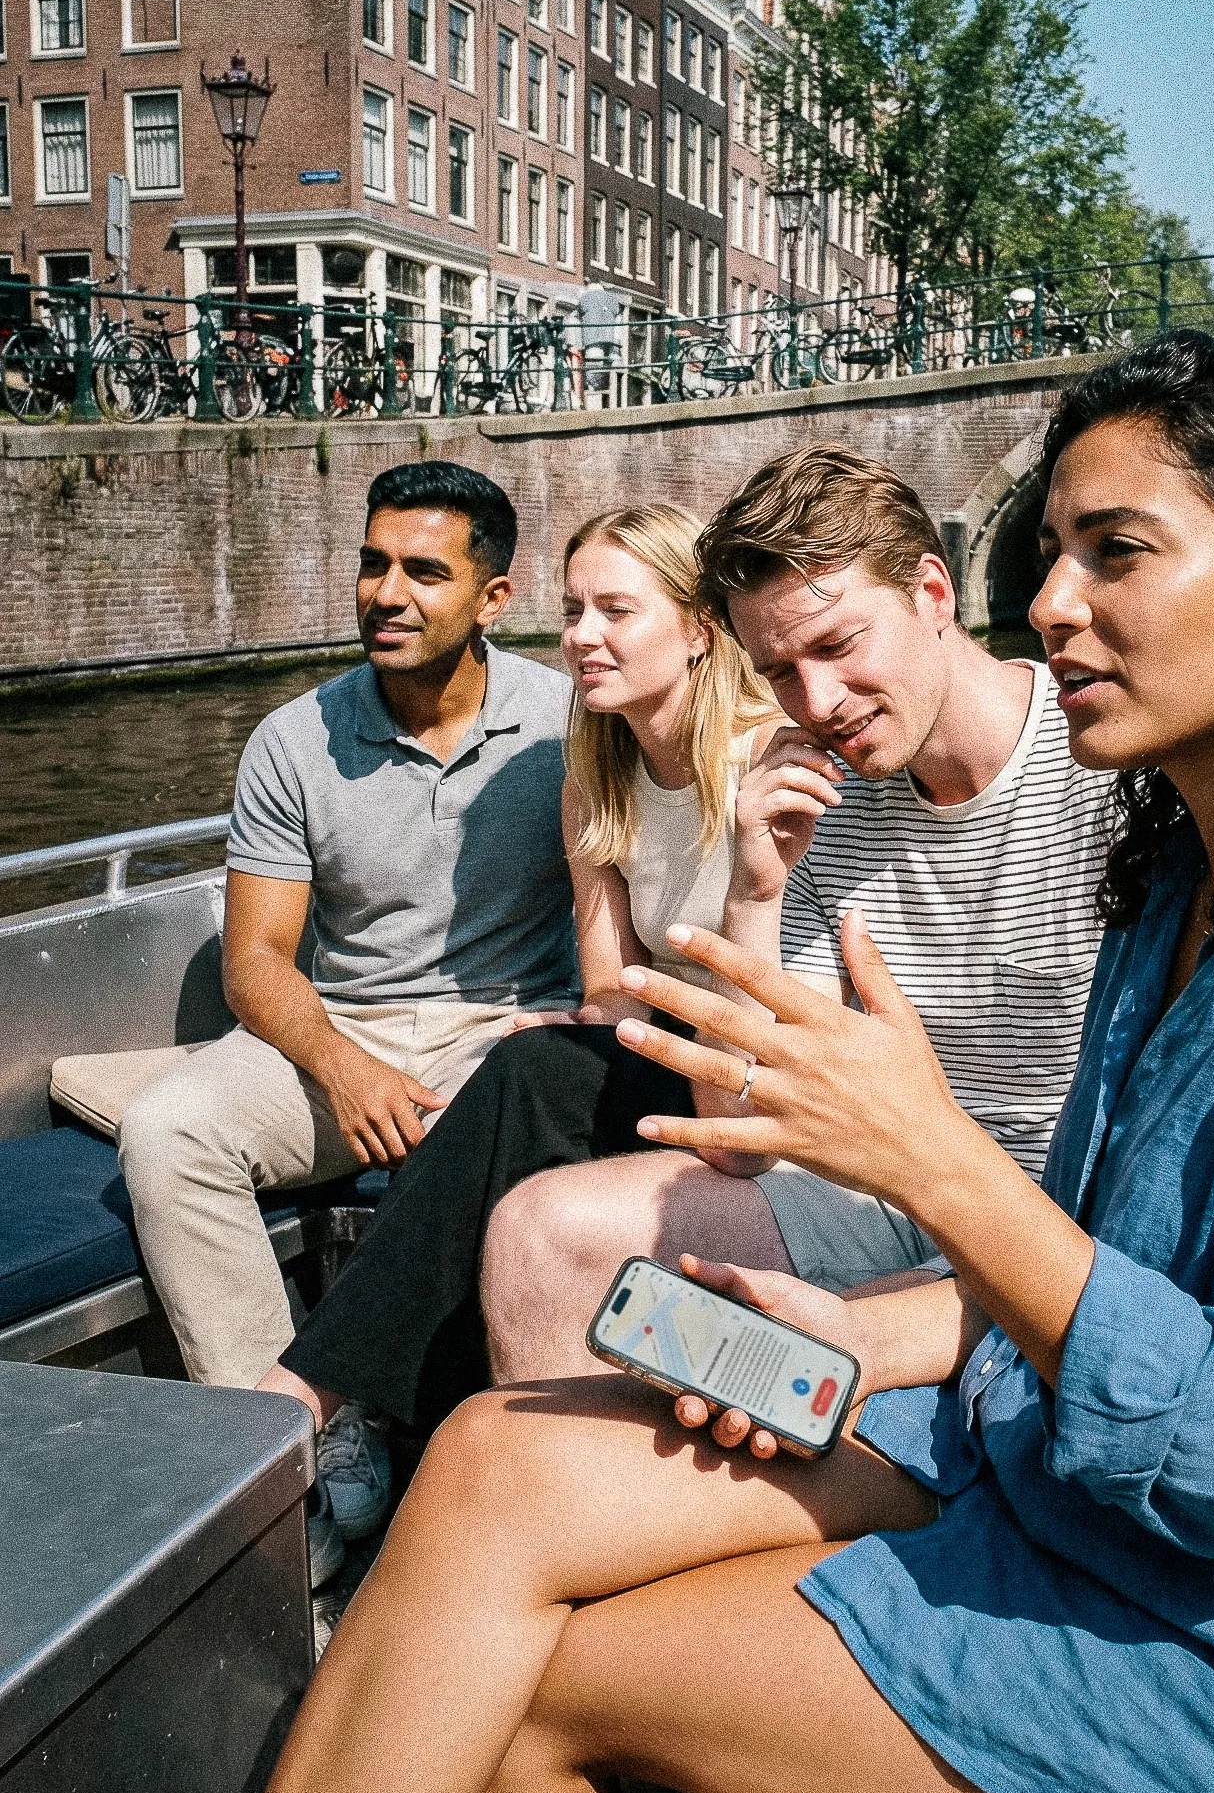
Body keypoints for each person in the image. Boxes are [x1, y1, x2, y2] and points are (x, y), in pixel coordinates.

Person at [48, 330, 1214, 1793]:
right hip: (1042, 1461)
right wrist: (840, 1336)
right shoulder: (1190, 864)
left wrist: (930, 1165)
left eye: (1116, 553)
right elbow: (1060, 1277)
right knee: (502, 1454)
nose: (1051, 603)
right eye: (1047, 552)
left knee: (538, 1695)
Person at [269, 448, 1110, 1439]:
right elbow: (737, 1139)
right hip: (880, 1191)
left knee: (538, 1079)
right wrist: (755, 889)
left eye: (841, 645)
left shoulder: (1102, 758)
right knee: (540, 1236)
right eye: (783, 672)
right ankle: (494, 1490)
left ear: (935, 591)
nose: (819, 700)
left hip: (1055, 1214)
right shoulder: (810, 793)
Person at [117, 459, 574, 1561]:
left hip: (501, 1031)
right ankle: (309, 1455)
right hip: (344, 1027)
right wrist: (343, 1064)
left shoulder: (570, 725)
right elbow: (260, 962)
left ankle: (458, 1466)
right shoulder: (294, 740)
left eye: (424, 570)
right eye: (372, 564)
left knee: (476, 1141)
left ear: (493, 599)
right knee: (169, 1132)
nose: (386, 592)